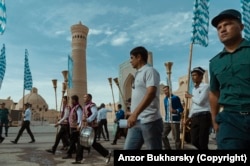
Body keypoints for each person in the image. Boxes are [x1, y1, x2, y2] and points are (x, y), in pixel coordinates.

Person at [209, 9, 250, 149]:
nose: (222, 29)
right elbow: (214, 93)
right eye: (219, 27)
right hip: (230, 120)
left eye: (228, 24)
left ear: (241, 27)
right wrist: (214, 119)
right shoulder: (215, 62)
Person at [124, 46, 163, 150]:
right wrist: (132, 113)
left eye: (132, 58)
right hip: (136, 121)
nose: (130, 61)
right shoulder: (137, 74)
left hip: (150, 121)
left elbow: (151, 93)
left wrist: (135, 114)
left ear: (139, 57)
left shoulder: (150, 71)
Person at [73, 94, 111, 164]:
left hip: (92, 127)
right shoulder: (85, 106)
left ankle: (107, 153)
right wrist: (80, 125)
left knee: (92, 143)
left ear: (89, 98)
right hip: (86, 127)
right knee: (81, 141)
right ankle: (78, 159)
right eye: (83, 97)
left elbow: (95, 114)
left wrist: (88, 120)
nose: (84, 98)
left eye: (85, 97)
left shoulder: (92, 105)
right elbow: (83, 117)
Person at [185, 67, 211, 150]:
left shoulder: (206, 87)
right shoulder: (193, 89)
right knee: (194, 140)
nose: (193, 77)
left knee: (203, 141)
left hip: (204, 115)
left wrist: (190, 96)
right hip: (195, 117)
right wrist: (189, 118)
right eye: (192, 75)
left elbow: (200, 101)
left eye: (195, 75)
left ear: (201, 76)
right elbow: (194, 105)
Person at [162, 86, 183, 150]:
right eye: (164, 91)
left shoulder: (175, 98)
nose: (165, 92)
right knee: (163, 135)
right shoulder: (165, 99)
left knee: (176, 138)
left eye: (166, 90)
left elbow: (181, 109)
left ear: (170, 90)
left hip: (174, 121)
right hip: (167, 121)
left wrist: (175, 111)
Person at [62, 95, 82, 159]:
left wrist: (78, 125)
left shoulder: (78, 107)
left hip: (75, 127)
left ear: (74, 100)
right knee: (74, 141)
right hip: (72, 126)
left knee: (73, 141)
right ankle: (75, 154)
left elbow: (80, 117)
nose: (71, 101)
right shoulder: (74, 107)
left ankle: (70, 154)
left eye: (72, 100)